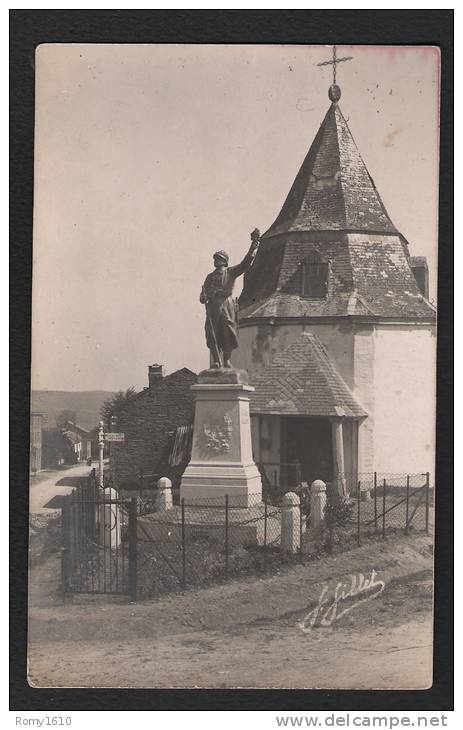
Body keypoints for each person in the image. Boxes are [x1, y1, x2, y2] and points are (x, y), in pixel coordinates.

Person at [200, 229, 260, 368]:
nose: (216, 260)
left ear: (225, 261)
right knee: (212, 334)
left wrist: (254, 246)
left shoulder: (231, 272)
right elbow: (203, 293)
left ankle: (226, 360)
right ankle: (216, 361)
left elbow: (246, 263)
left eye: (219, 258)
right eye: (215, 258)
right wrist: (203, 297)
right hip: (213, 307)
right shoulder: (209, 277)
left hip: (226, 305)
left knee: (228, 332)